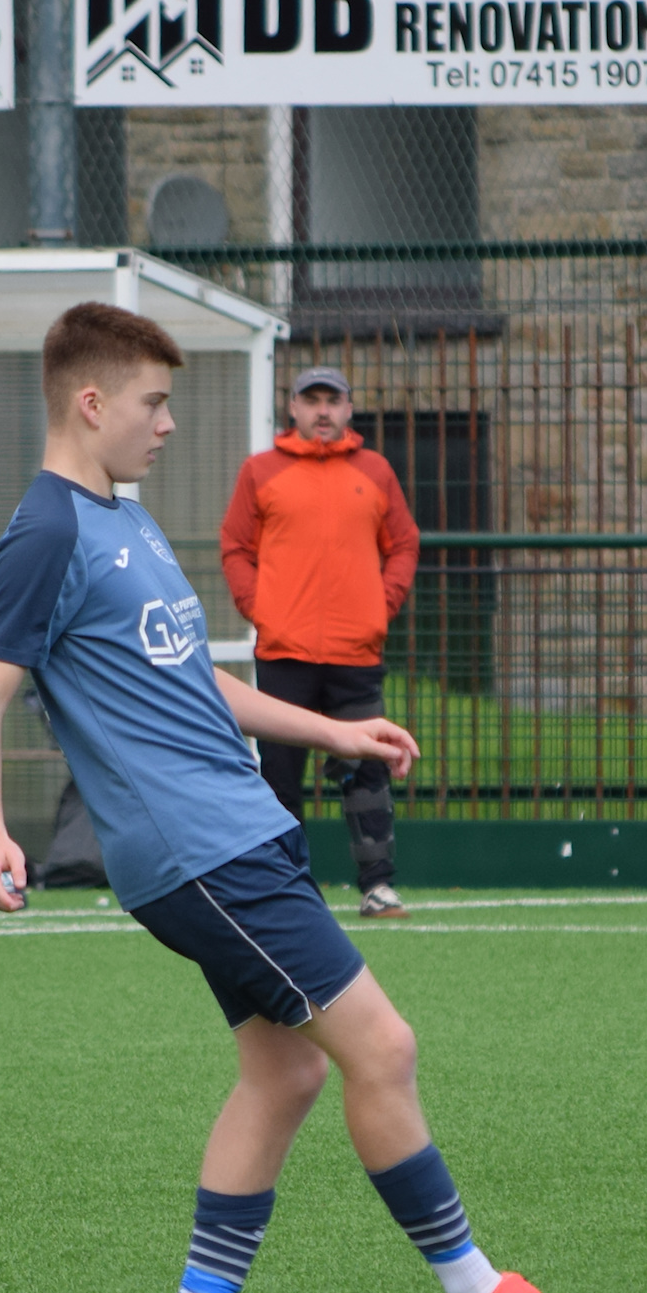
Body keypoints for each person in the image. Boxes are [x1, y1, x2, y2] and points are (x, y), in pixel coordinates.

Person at [0, 304, 576, 1293]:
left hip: (237, 836)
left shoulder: (124, 519)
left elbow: (197, 681)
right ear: (91, 403)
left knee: (287, 1069)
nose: (168, 424)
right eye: (153, 403)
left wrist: (335, 731)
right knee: (382, 1048)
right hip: (202, 855)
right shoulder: (47, 529)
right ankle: (472, 1289)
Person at [220, 366, 421, 920]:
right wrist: (261, 610)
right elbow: (235, 547)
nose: (323, 411)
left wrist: (380, 607)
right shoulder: (261, 471)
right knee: (280, 776)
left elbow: (404, 543)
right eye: (312, 401)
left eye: (333, 400)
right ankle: (288, 892)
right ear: (294, 408)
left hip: (357, 653)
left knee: (368, 769)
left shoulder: (375, 471)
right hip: (284, 652)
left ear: (349, 409)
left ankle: (377, 886)